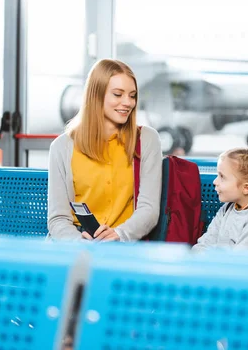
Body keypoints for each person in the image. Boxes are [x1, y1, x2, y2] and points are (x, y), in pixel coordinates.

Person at [47, 59, 162, 242]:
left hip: (124, 244)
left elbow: (149, 209)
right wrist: (80, 242)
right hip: (76, 244)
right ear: (96, 95)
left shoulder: (147, 139)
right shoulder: (62, 147)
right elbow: (58, 219)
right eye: (118, 94)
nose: (128, 103)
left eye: (132, 96)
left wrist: (119, 234)